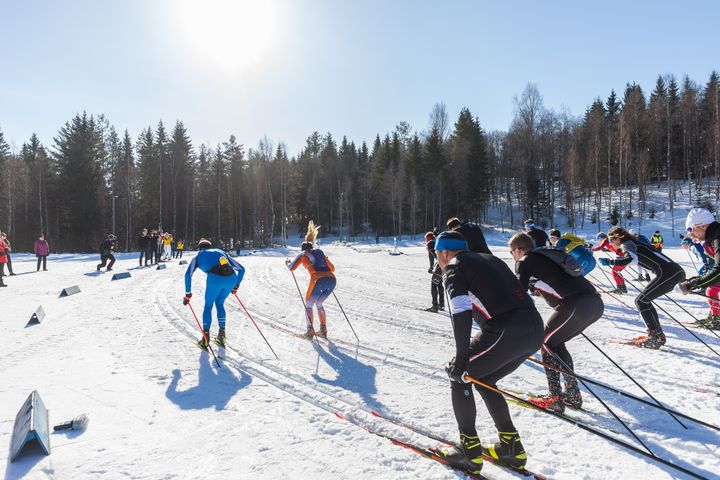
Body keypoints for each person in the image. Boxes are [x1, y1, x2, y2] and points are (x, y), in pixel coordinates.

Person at [433, 231, 543, 474]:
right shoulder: (490, 259)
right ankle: (511, 449)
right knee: (484, 378)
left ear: (444, 252)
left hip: (506, 328)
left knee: (458, 375)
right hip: (534, 327)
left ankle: (469, 452)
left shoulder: (452, 267)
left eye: (436, 254)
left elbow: (460, 311)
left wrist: (461, 359)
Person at [509, 233, 603, 412]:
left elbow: (518, 292)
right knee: (555, 343)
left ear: (519, 249)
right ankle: (572, 394)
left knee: (544, 342)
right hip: (595, 303)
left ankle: (555, 397)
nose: (512, 255)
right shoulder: (547, 255)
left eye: (512, 251)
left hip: (576, 303)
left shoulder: (524, 261)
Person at [600, 226, 685, 348]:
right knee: (644, 300)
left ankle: (655, 337)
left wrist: (611, 262)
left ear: (617, 239)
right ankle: (657, 334)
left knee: (641, 301)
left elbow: (631, 259)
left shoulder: (626, 244)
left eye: (610, 241)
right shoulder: (634, 242)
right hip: (673, 271)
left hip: (668, 273)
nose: (610, 244)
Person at [184, 238, 245, 347]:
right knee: (220, 303)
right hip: (231, 278)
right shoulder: (220, 252)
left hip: (214, 279)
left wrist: (188, 294)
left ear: (199, 248)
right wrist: (236, 286)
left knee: (208, 306)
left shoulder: (198, 257)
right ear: (209, 246)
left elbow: (188, 275)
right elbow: (241, 269)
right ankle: (222, 335)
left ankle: (205, 338)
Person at [286, 221, 337, 338]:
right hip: (332, 279)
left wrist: (287, 263)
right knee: (319, 303)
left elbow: (291, 268)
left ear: (303, 249)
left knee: (309, 305)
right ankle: (323, 330)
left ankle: (310, 331)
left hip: (318, 280)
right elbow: (332, 268)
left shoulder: (303, 256)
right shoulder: (320, 253)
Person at [677, 208, 720, 330]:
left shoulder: (718, 237)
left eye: (691, 229)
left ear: (703, 226)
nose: (691, 234)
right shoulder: (712, 237)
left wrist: (692, 284)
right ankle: (716, 318)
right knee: (711, 290)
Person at [424, 231, 444, 312]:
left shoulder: (430, 243)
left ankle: (435, 306)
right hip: (446, 265)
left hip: (441, 265)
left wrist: (431, 267)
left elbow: (432, 256)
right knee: (439, 284)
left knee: (434, 285)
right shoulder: (437, 242)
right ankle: (441, 304)